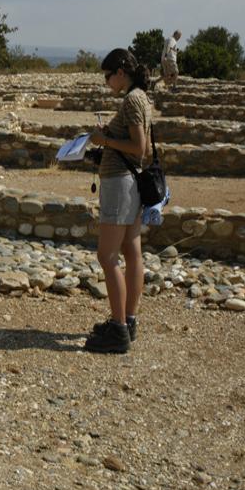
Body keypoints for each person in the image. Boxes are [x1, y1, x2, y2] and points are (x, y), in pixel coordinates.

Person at [85, 48, 152, 353]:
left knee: (107, 256)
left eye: (108, 76)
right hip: (131, 182)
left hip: (120, 183)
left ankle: (118, 328)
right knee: (132, 251)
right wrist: (109, 141)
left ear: (121, 73)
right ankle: (128, 320)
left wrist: (104, 140)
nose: (107, 82)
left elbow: (139, 147)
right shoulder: (141, 98)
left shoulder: (132, 100)